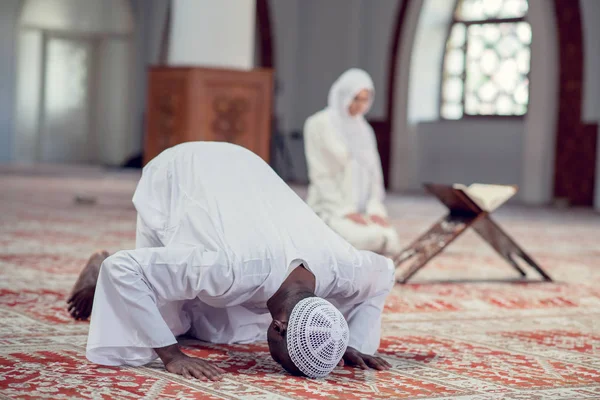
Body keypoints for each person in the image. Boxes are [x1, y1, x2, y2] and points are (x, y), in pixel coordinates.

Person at [66, 142, 393, 380]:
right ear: (277, 327)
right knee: (164, 325)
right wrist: (171, 355)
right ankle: (101, 262)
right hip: (182, 168)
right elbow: (123, 270)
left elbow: (385, 273)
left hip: (246, 165)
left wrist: (346, 342)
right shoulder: (228, 269)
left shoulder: (345, 268)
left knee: (222, 329)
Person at [304, 68, 402, 257]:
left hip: (361, 211)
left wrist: (375, 210)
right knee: (366, 237)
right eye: (356, 98)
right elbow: (320, 175)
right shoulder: (318, 124)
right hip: (331, 208)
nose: (361, 106)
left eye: (366, 100)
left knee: (389, 237)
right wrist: (345, 211)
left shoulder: (364, 130)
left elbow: (375, 176)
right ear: (343, 95)